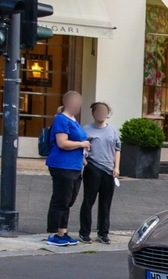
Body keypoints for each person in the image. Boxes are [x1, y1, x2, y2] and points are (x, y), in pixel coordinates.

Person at [45, 91, 91, 246]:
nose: (77, 105)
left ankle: (62, 232)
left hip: (75, 166)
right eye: (74, 102)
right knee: (61, 200)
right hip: (62, 165)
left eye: (79, 102)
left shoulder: (73, 120)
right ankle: (53, 234)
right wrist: (82, 144)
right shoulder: (61, 119)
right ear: (67, 102)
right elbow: (62, 143)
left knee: (69, 200)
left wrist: (83, 158)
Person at [79, 102, 121, 244]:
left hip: (109, 170)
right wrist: (87, 164)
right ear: (94, 113)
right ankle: (84, 232)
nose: (102, 114)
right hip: (93, 168)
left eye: (105, 111)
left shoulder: (112, 130)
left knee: (105, 203)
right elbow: (81, 149)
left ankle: (103, 233)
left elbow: (117, 148)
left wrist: (117, 167)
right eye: (99, 111)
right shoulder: (86, 130)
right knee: (88, 201)